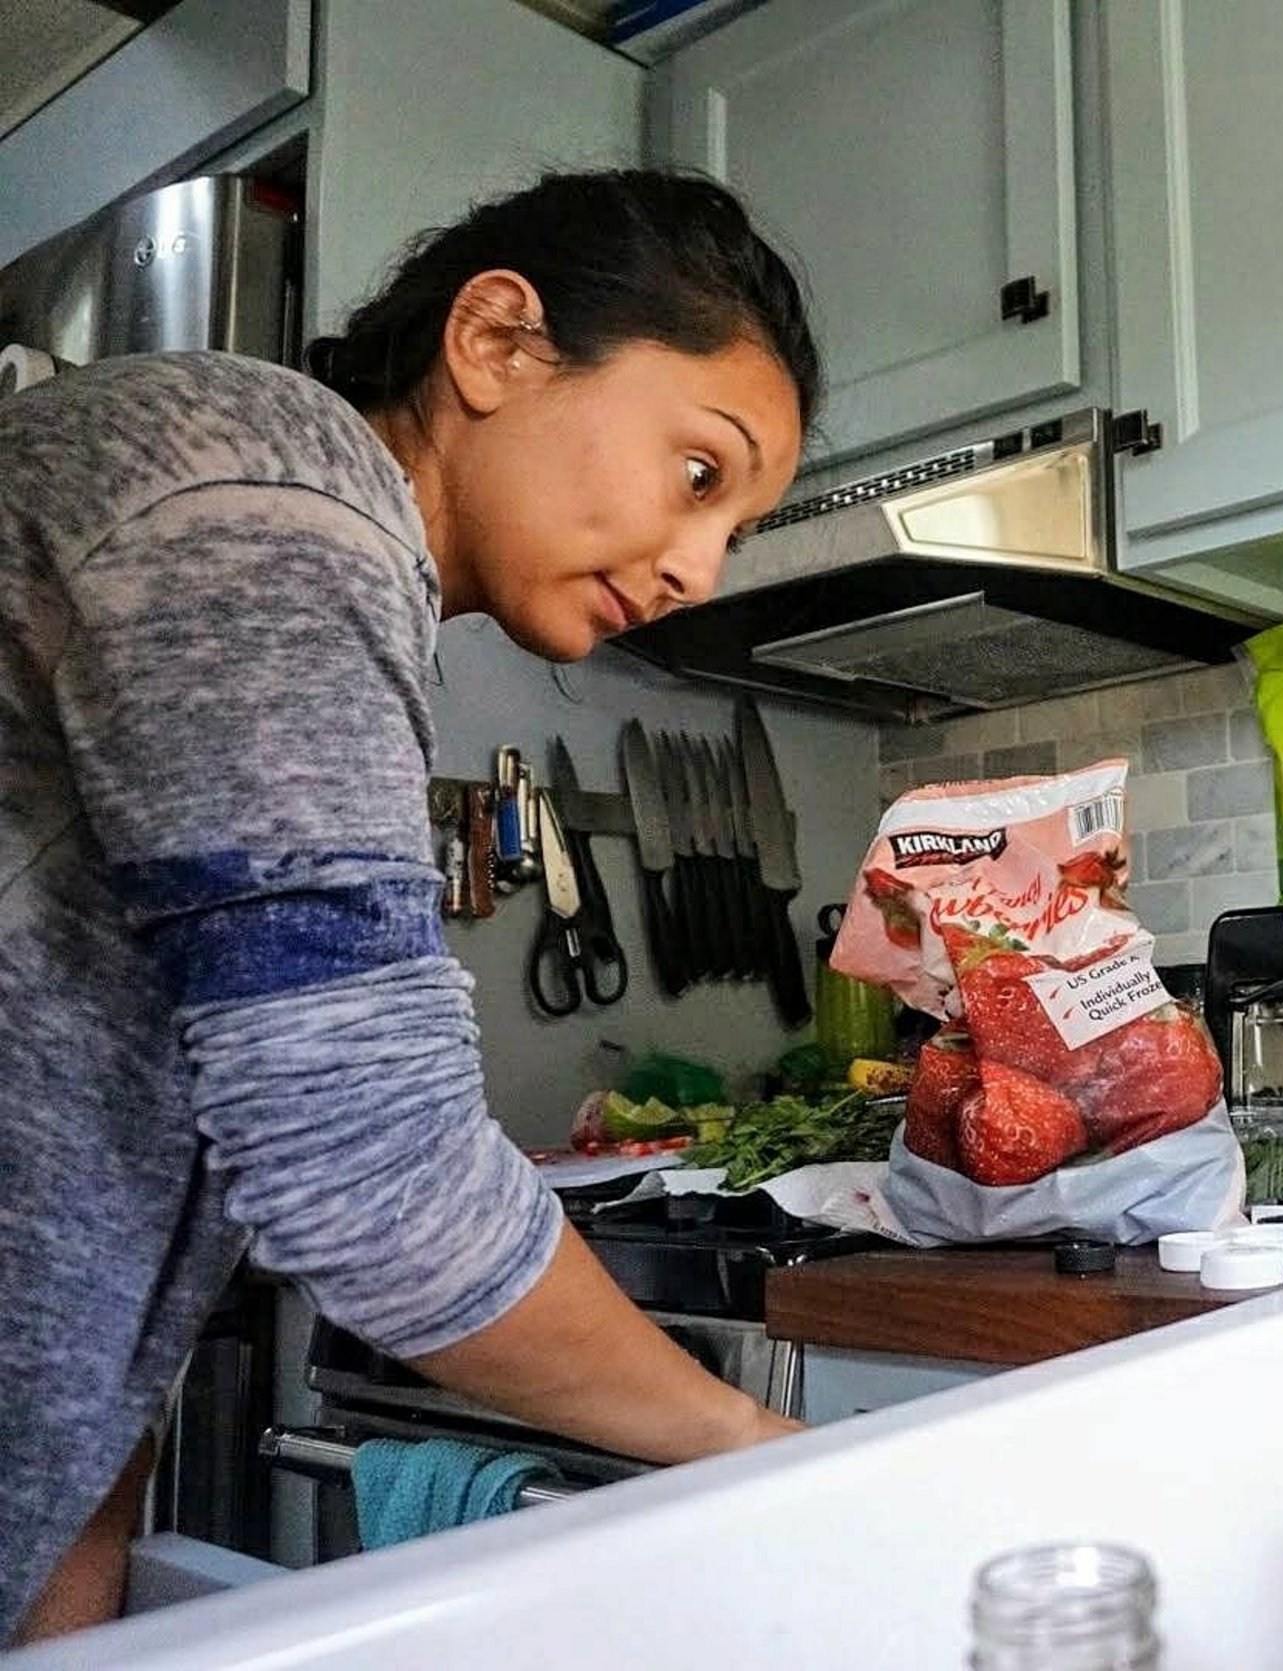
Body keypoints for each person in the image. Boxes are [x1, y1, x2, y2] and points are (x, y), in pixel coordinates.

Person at [0, 169, 819, 1642]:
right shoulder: (268, 495)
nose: (700, 568)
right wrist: (768, 1457)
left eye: (738, 532)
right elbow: (370, 1171)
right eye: (702, 473)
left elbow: (111, 1256)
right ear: (498, 341)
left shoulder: (289, 525)